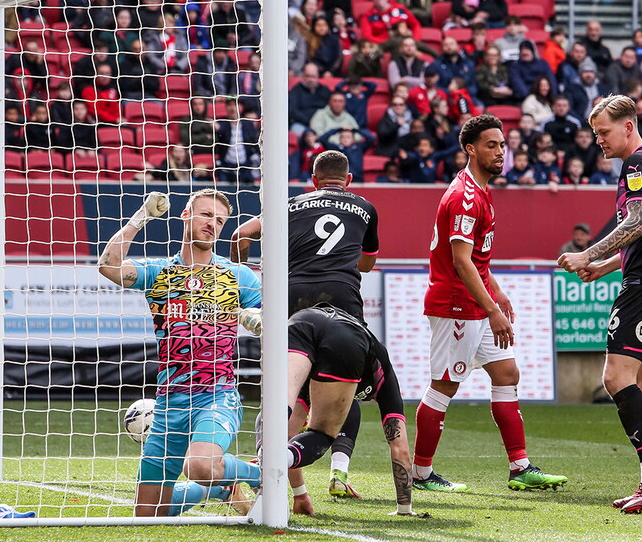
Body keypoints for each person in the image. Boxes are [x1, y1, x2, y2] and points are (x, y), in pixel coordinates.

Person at [412, 114, 568, 494]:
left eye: (502, 145)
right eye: (491, 145)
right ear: (471, 149)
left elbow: (476, 258)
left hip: (475, 302)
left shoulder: (480, 190)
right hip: (457, 306)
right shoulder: (466, 197)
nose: (501, 152)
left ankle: (520, 467)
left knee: (506, 374)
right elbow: (461, 260)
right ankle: (419, 473)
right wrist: (494, 310)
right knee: (444, 386)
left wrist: (495, 291)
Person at [98, 189, 262, 517]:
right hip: (168, 402)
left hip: (217, 396)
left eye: (219, 220)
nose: (212, 224)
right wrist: (141, 216)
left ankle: (262, 473)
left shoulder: (239, 276)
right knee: (146, 515)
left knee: (199, 464)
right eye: (205, 215)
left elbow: (272, 321)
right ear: (186, 215)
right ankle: (219, 487)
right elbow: (108, 266)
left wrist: (257, 318)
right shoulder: (159, 272)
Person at [558, 94, 642, 514]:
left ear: (628, 126)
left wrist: (587, 255)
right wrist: (608, 266)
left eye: (605, 132)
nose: (599, 140)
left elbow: (638, 221)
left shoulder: (637, 164)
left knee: (615, 376)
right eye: (595, 133)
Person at [231, 150, 379, 499]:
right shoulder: (365, 207)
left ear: (313, 180)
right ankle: (335, 472)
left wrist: (243, 279)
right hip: (341, 298)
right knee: (344, 386)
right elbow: (368, 263)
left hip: (292, 298)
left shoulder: (291, 204)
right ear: (349, 180)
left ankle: (265, 463)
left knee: (288, 390)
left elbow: (240, 234)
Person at [281, 305, 421, 517]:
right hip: (347, 338)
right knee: (322, 433)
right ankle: (272, 463)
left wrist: (300, 494)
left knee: (281, 406)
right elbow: (400, 446)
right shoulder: (386, 379)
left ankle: (262, 456)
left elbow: (290, 432)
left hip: (302, 320)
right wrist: (405, 509)